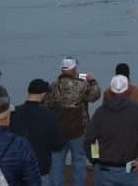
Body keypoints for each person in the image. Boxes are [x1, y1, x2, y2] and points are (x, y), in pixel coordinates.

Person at [83, 75, 138, 186]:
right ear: (127, 90)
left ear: (111, 91)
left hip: (104, 169)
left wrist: (95, 159)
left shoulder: (100, 112)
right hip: (129, 167)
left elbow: (89, 139)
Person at [44, 58, 101, 186]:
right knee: (79, 161)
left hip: (58, 131)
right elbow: (95, 95)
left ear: (62, 69)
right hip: (78, 130)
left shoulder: (53, 86)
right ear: (74, 69)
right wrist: (92, 80)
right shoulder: (82, 85)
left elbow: (46, 105)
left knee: (57, 161)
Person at [10, 79, 66, 186]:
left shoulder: (13, 113)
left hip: (17, 170)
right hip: (39, 170)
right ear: (43, 94)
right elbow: (58, 145)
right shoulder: (49, 115)